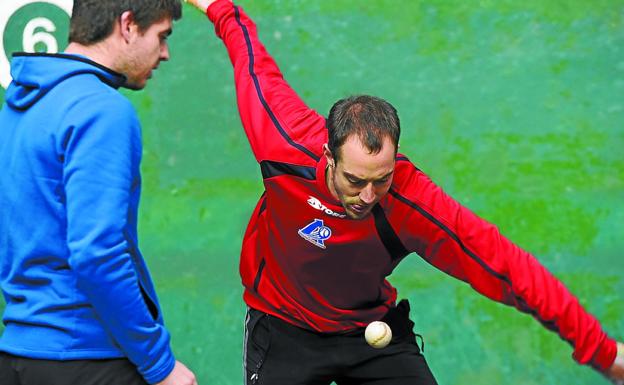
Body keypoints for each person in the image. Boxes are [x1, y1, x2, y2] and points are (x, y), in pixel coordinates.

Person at [187, 0, 624, 384]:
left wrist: (603, 352)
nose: (368, 195)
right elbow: (252, 63)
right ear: (328, 156)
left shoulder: (411, 203)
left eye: (382, 179)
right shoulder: (284, 144)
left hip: (369, 331)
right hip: (283, 327)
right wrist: (219, 7)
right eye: (355, 181)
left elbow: (504, 265)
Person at [0, 1, 198, 384]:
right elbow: (97, 253)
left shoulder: (20, 108)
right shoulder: (102, 109)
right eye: (162, 36)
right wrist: (161, 365)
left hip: (17, 358)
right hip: (87, 357)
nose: (165, 53)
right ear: (127, 25)